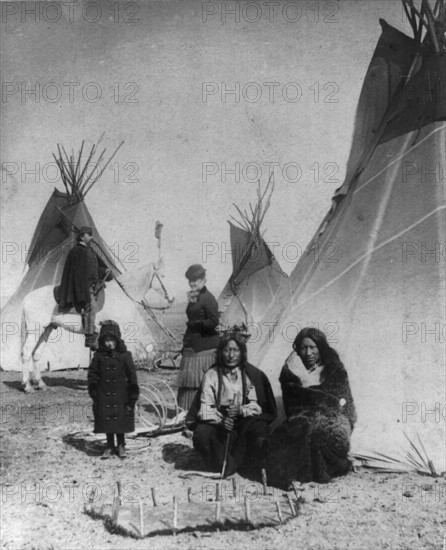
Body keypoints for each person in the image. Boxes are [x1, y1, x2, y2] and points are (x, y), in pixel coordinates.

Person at [264, 327, 357, 488]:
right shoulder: (291, 371)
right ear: (298, 349)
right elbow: (292, 404)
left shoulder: (333, 368)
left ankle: (320, 470)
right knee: (291, 433)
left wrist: (335, 413)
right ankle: (290, 477)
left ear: (321, 348)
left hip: (333, 418)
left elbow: (344, 399)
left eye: (313, 347)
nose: (308, 353)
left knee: (323, 434)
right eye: (304, 348)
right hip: (304, 417)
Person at [187, 333, 277, 477]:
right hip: (219, 421)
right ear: (220, 352)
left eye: (235, 350)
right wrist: (221, 421)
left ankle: (246, 464)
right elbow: (204, 408)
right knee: (202, 435)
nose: (231, 355)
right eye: (227, 350)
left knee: (259, 430)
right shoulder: (212, 375)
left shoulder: (251, 375)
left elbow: (257, 406)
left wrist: (241, 410)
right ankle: (222, 463)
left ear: (242, 353)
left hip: (243, 421)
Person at [87, 320, 139, 459]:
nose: (110, 344)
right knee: (107, 420)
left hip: (121, 394)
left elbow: (132, 378)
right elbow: (92, 376)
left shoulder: (125, 356)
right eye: (106, 341)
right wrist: (95, 394)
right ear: (103, 341)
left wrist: (131, 397)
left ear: (117, 340)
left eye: (112, 340)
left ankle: (121, 445)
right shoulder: (98, 356)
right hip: (104, 394)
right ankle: (110, 445)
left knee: (120, 420)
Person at [58, 226, 112, 350]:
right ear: (82, 236)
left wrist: (105, 271)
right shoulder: (76, 251)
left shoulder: (90, 250)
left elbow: (96, 268)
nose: (92, 237)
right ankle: (89, 336)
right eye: (89, 235)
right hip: (82, 286)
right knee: (91, 306)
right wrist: (86, 285)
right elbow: (77, 272)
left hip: (92, 285)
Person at [176, 264, 220, 410]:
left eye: (196, 280)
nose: (193, 283)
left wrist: (196, 324)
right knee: (188, 382)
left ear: (204, 280)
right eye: (190, 280)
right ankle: (186, 411)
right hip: (192, 343)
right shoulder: (193, 296)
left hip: (204, 346)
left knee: (198, 382)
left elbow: (214, 321)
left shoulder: (209, 298)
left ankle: (199, 411)